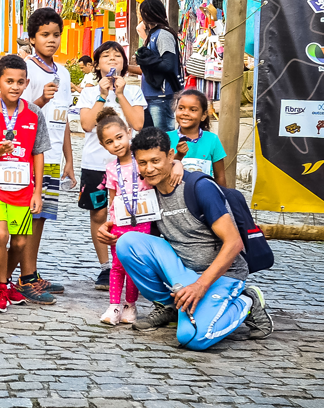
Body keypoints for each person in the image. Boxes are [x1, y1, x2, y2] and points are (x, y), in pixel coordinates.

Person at [97, 128, 274, 350]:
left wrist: (200, 285)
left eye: (155, 161)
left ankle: (246, 301)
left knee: (193, 338)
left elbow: (234, 243)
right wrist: (109, 229)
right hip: (181, 271)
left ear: (171, 156)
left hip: (221, 275)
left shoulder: (199, 188)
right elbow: (135, 232)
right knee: (127, 243)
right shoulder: (147, 191)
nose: (149, 169)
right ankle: (168, 306)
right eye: (142, 163)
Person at [0, 55, 51, 313]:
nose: (15, 87)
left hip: (23, 188)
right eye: (9, 81)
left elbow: (38, 152)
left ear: (27, 83)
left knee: (19, 244)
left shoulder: (34, 113)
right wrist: (0, 149)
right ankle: (0, 286)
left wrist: (38, 191)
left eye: (20, 82)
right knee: (1, 234)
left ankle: (6, 284)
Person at [76, 41, 147, 291]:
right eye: (106, 56)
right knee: (98, 214)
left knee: (129, 213)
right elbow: (86, 124)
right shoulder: (88, 91)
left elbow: (138, 123)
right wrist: (102, 95)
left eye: (117, 56)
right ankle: (106, 266)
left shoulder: (134, 92)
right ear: (97, 65)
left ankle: (128, 262)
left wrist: (120, 94)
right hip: (96, 164)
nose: (112, 60)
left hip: (128, 166)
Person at [18, 8, 77, 304]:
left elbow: (63, 118)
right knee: (29, 216)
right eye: (44, 35)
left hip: (54, 153)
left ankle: (33, 270)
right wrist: (41, 98)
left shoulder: (63, 73)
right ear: (32, 38)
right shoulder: (27, 70)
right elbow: (21, 114)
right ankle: (24, 277)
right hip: (33, 154)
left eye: (56, 35)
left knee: (41, 218)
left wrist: (69, 158)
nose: (51, 40)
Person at [95, 107, 153, 326]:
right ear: (103, 146)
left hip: (143, 221)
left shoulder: (143, 161)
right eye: (110, 142)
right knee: (117, 265)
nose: (116, 144)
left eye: (119, 137)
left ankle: (130, 304)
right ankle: (114, 305)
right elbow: (112, 199)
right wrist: (108, 224)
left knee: (134, 266)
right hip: (120, 222)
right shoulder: (111, 169)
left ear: (129, 133)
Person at [135, 0, 183, 131]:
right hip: (150, 95)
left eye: (141, 13)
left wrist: (145, 61)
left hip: (162, 96)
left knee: (164, 137)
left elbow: (168, 65)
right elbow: (150, 68)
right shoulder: (153, 35)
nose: (139, 16)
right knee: (151, 138)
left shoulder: (163, 34)